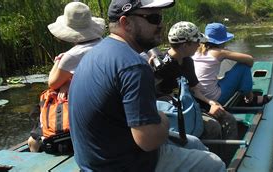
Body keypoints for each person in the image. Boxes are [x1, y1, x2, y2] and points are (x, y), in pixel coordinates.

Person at [68, 0, 225, 171]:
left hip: (97, 158)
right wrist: (163, 119)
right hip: (122, 164)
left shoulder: (98, 52)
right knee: (215, 164)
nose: (161, 25)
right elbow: (148, 141)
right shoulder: (134, 65)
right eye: (154, 18)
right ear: (125, 23)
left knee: (193, 141)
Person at [27, 1, 105, 152]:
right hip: (99, 105)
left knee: (33, 140)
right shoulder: (103, 43)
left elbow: (52, 83)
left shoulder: (71, 56)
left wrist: (58, 61)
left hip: (85, 110)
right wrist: (70, 80)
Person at [154, 21, 237, 141]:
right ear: (185, 45)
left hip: (190, 104)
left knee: (228, 119)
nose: (199, 45)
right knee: (213, 127)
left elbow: (194, 89)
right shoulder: (162, 67)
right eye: (197, 42)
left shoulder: (188, 61)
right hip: (173, 112)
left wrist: (210, 103)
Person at [192, 23, 273, 106]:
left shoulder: (196, 51)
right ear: (222, 41)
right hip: (215, 98)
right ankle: (251, 98)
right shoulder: (219, 52)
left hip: (198, 97)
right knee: (243, 66)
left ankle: (245, 91)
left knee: (228, 75)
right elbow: (249, 60)